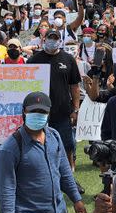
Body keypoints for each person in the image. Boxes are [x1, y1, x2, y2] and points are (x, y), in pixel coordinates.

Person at [27, 29, 81, 169]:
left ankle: (69, 175)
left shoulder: (68, 59)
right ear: (44, 39)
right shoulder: (34, 60)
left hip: (63, 112)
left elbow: (74, 86)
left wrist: (75, 108)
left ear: (60, 40)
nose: (52, 40)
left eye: (55, 38)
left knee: (66, 145)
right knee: (39, 145)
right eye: (50, 37)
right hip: (39, 112)